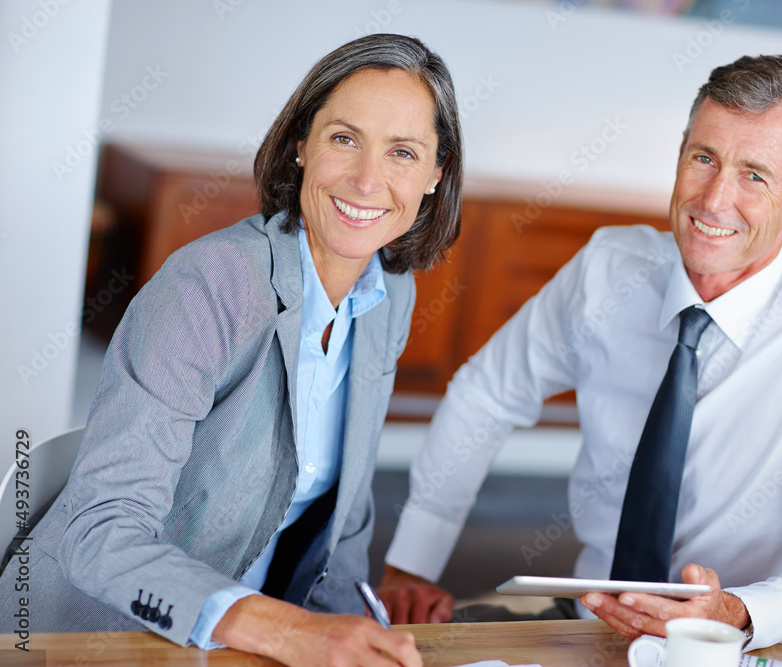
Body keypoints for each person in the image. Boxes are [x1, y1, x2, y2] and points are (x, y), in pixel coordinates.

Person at [378, 54, 782, 650]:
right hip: (591, 620)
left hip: (742, 644)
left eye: (755, 175)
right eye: (703, 158)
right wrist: (413, 562)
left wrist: (734, 611)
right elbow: (487, 393)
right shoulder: (610, 268)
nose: (713, 199)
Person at [0, 33, 462, 666]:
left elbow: (344, 516)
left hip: (242, 646)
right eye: (344, 139)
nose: (366, 179)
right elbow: (99, 531)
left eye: (403, 152)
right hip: (94, 637)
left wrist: (355, 629)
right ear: (302, 144)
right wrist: (287, 631)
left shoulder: (391, 295)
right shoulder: (210, 286)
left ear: (437, 175)